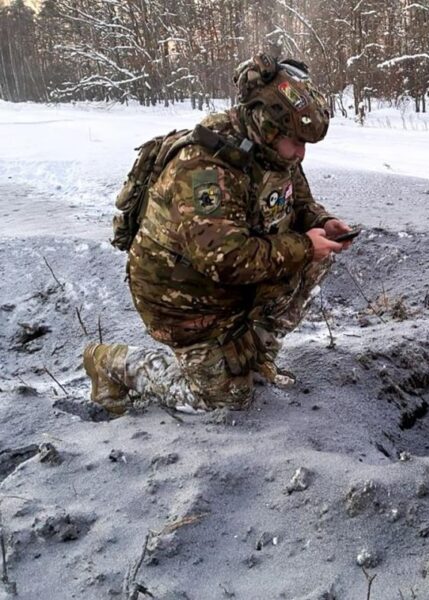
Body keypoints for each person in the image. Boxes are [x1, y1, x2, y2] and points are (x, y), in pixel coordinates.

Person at [82, 53, 353, 415]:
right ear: (267, 126)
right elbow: (223, 259)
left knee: (314, 257)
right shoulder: (205, 165)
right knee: (225, 400)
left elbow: (296, 201)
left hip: (229, 287)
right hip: (182, 300)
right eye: (296, 142)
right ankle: (110, 362)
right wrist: (304, 246)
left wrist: (322, 221)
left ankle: (252, 360)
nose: (301, 154)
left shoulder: (274, 153)